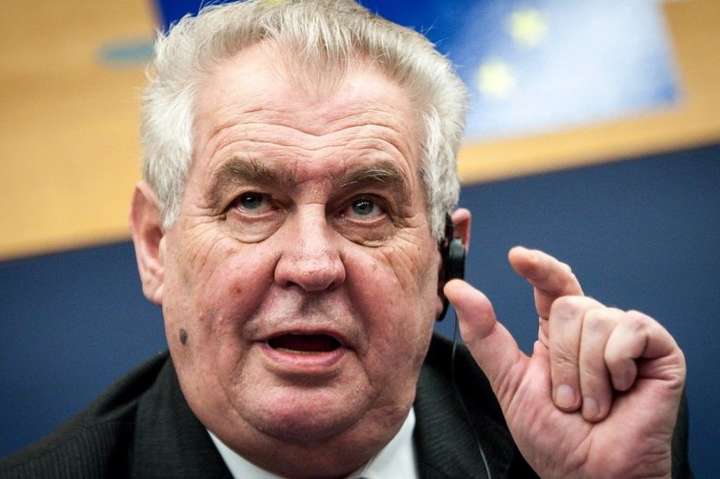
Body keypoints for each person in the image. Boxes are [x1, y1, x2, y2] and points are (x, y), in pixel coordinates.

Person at [0, 1, 691, 478]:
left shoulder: (567, 444)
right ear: (156, 244)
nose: (311, 265)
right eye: (251, 202)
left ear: (443, 257)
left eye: (364, 206)